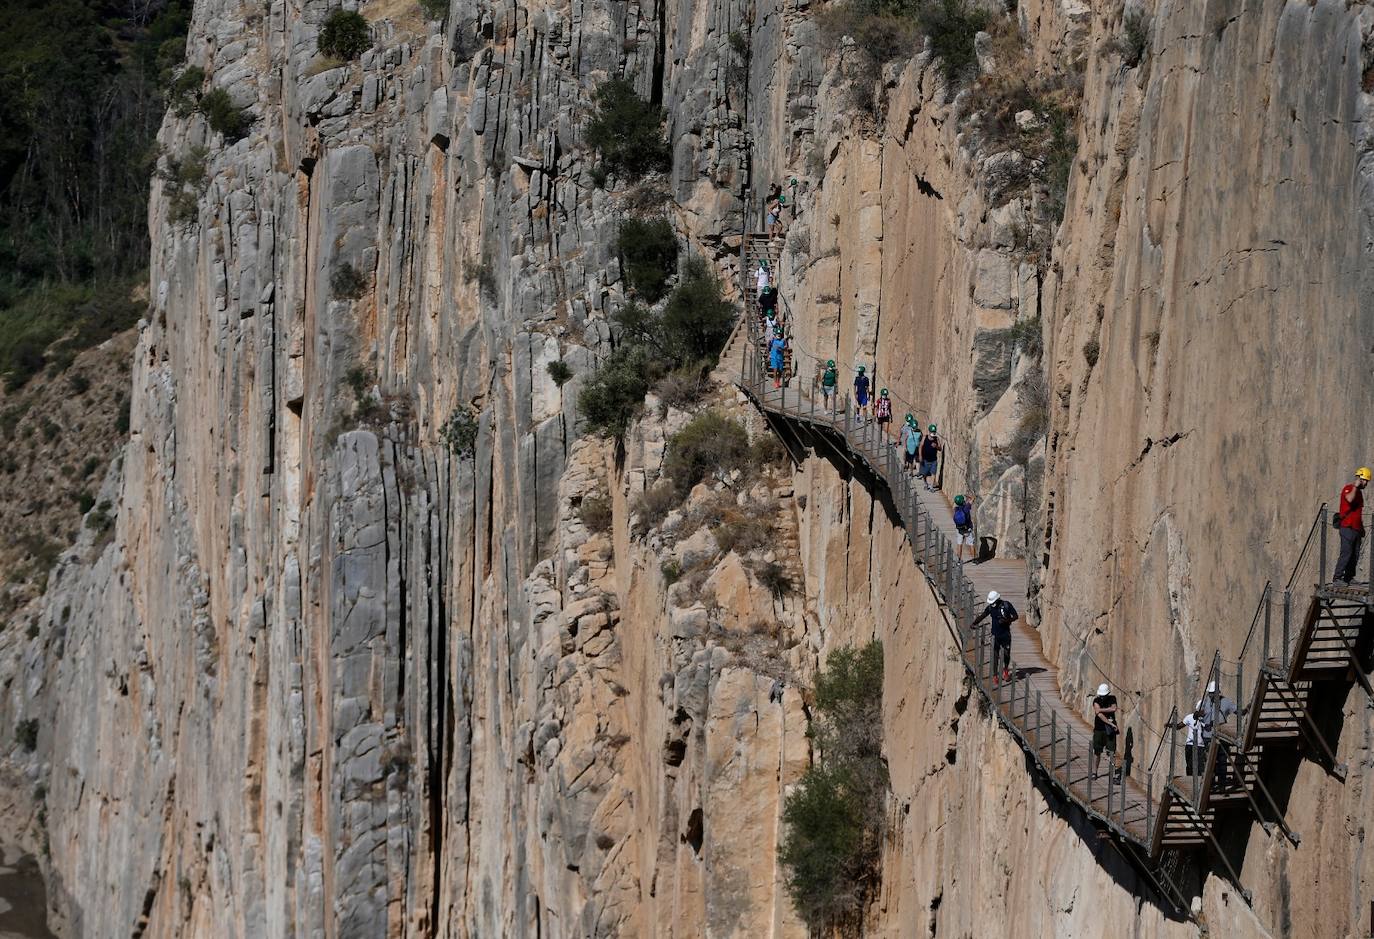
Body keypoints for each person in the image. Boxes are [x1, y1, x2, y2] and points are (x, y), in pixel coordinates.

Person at [972, 589, 1017, 685]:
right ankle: (995, 675)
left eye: (993, 602)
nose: (992, 604)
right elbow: (983, 615)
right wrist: (974, 623)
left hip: (1005, 635)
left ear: (997, 600)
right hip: (995, 635)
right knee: (995, 656)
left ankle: (1005, 670)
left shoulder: (1006, 605)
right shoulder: (990, 608)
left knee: (1006, 654)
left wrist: (1006, 621)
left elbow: (1016, 616)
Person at [1334, 467, 1370, 584]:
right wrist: (1355, 486)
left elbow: (1357, 513)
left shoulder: (1359, 493)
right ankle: (1337, 578)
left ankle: (1349, 577)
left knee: (1354, 554)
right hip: (1347, 527)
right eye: (1364, 480)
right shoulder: (1349, 489)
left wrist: (1362, 528)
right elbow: (1349, 499)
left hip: (1356, 529)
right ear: (1359, 478)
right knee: (1346, 552)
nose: (1365, 483)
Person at [1092, 683, 1121, 781]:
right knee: (1097, 751)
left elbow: (1113, 708)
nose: (1102, 697)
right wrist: (1111, 723)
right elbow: (1099, 714)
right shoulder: (1096, 700)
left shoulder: (1112, 698)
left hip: (1110, 731)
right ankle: (1094, 772)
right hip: (1099, 729)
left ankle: (1112, 774)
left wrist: (1101, 709)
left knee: (1111, 752)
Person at [919, 423, 943, 490]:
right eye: (932, 432)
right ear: (929, 431)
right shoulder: (925, 437)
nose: (933, 433)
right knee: (924, 474)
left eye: (934, 432)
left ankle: (931, 486)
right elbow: (920, 446)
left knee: (933, 473)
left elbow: (940, 449)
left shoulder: (936, 439)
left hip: (933, 460)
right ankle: (926, 484)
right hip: (925, 459)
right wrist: (920, 456)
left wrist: (936, 446)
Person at [953, 494, 974, 561]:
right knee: (971, 544)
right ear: (963, 501)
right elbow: (973, 498)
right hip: (968, 528)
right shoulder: (967, 507)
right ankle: (973, 560)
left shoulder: (956, 509)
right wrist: (969, 496)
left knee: (959, 544)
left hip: (959, 529)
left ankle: (959, 560)